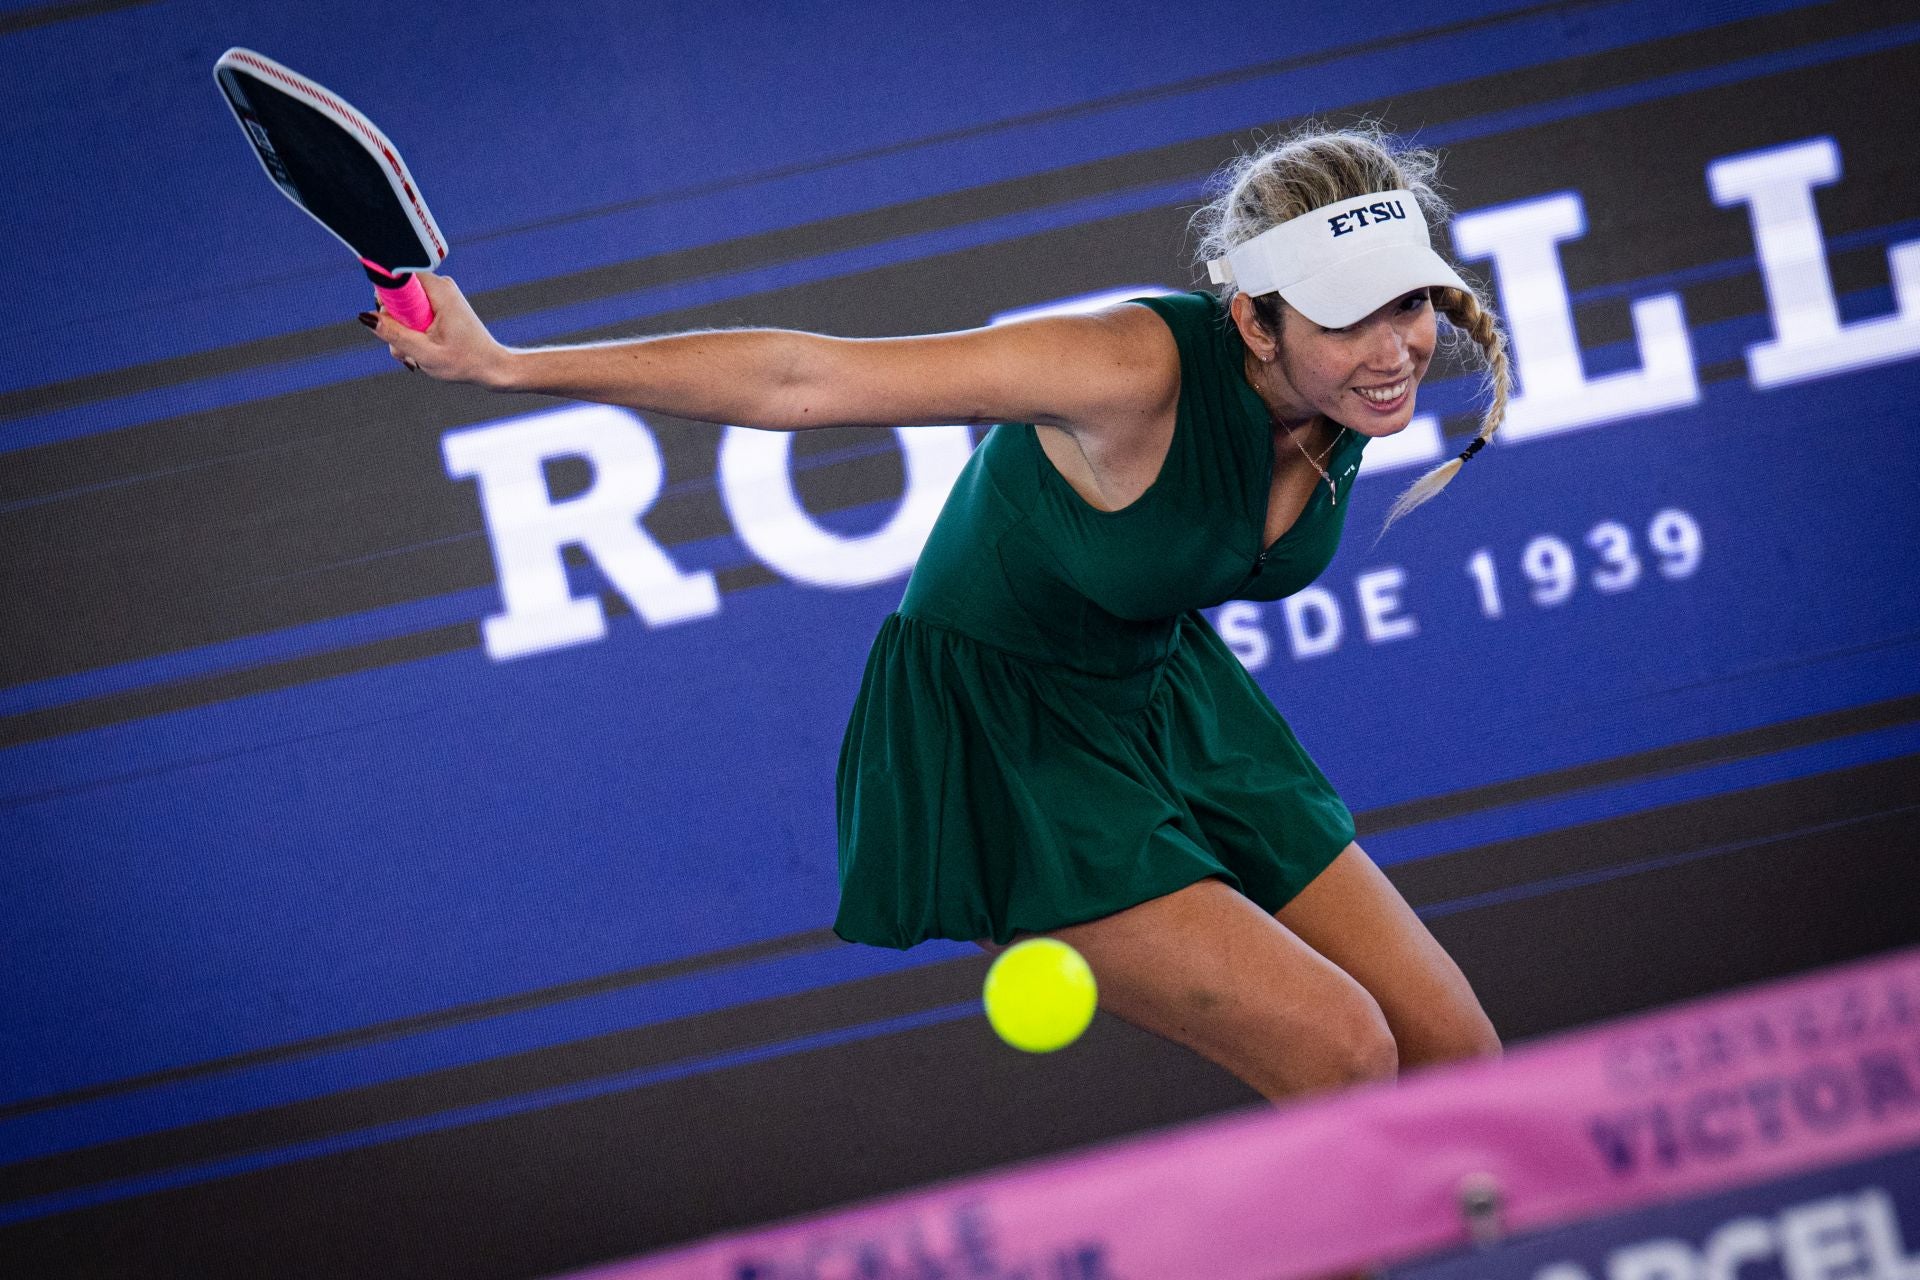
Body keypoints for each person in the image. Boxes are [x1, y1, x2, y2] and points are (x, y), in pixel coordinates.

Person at [364, 124, 1508, 1103]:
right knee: (1343, 1049)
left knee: (1458, 1054)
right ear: (1255, 323)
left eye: (1410, 302)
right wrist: (505, 367)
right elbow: (800, 378)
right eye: (1351, 315)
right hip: (1007, 738)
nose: (1397, 347)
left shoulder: (1353, 389)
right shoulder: (1127, 368)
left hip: (1161, 692)